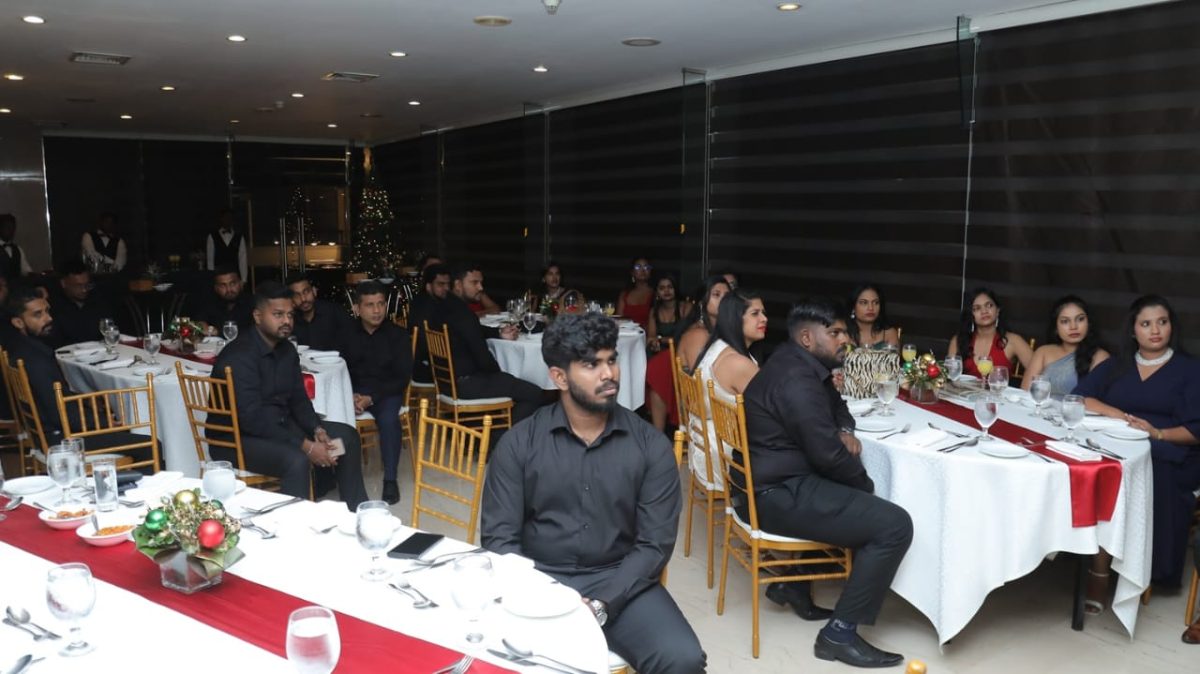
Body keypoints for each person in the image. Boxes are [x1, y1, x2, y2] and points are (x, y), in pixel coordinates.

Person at [481, 313, 706, 674]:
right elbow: (499, 538)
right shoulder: (519, 443)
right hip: (537, 577)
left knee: (682, 658)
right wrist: (538, 593)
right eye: (591, 364)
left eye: (611, 360)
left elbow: (654, 544)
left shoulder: (650, 446)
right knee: (485, 652)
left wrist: (602, 602)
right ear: (559, 377)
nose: (609, 374)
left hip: (620, 580)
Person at [742, 298, 912, 668]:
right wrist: (866, 487)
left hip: (776, 481)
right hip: (777, 494)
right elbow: (828, 457)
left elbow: (838, 408)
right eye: (834, 333)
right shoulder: (797, 381)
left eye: (844, 332)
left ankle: (792, 584)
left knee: (857, 499)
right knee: (894, 524)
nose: (844, 340)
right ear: (807, 337)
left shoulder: (799, 364)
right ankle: (839, 635)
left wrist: (845, 429)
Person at [1075, 295, 1200, 590]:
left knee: (1151, 471)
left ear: (1171, 326)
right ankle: (1093, 557)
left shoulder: (1191, 369)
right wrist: (1117, 415)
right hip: (1121, 444)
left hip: (1173, 451)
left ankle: (1150, 572)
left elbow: (1196, 429)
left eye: (1162, 322)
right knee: (1091, 463)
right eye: (1146, 324)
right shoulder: (1117, 364)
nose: (1155, 330)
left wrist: (1157, 433)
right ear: (1133, 330)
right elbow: (1080, 398)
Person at [208, 282, 368, 510]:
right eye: (278, 314)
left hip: (279, 426)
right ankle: (294, 524)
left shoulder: (287, 350)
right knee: (297, 460)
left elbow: (298, 399)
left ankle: (357, 511)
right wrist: (307, 446)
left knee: (346, 437)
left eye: (290, 315)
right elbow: (252, 420)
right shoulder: (239, 357)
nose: (286, 321)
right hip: (235, 439)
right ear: (257, 316)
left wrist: (317, 430)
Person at [4, 286, 152, 458]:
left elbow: (57, 403)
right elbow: (61, 415)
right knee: (151, 444)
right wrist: (105, 422)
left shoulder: (22, 350)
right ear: (18, 322)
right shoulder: (35, 361)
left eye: (47, 311)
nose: (48, 318)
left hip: (47, 434)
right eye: (38, 314)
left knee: (126, 429)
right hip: (62, 440)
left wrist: (92, 407)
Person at [431, 264, 543, 424]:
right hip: (467, 384)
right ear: (458, 285)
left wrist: (498, 333)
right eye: (474, 283)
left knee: (511, 383)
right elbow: (484, 360)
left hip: (446, 383)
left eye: (481, 282)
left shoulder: (443, 306)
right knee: (534, 393)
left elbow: (474, 329)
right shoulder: (464, 314)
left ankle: (487, 429)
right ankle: (501, 436)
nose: (480, 287)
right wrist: (503, 375)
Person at [689, 290, 767, 490]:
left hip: (707, 446)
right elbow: (771, 409)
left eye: (763, 313)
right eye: (755, 313)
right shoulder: (737, 363)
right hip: (727, 458)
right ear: (735, 319)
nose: (764, 319)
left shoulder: (718, 346)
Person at [345, 281, 412, 505]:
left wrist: (371, 398)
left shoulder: (398, 335)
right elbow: (339, 367)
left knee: (388, 420)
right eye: (370, 305)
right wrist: (350, 395)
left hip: (386, 393)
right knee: (332, 416)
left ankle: (390, 480)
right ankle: (337, 477)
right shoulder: (346, 334)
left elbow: (402, 377)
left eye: (381, 304)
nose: (376, 310)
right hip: (354, 392)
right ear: (357, 308)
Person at [644, 276, 730, 432]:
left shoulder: (721, 329)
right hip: (701, 402)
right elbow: (704, 380)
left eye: (727, 295)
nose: (723, 300)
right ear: (702, 302)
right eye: (716, 295)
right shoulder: (698, 334)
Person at [1021, 295, 1109, 396]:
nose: (1073, 326)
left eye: (1080, 319)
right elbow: (1025, 392)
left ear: (1088, 323)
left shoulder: (1100, 357)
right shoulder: (1043, 352)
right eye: (1065, 321)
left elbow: (1097, 399)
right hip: (1039, 405)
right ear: (1056, 328)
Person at [947, 287, 1033, 379]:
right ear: (970, 314)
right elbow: (949, 377)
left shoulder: (1014, 341)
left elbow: (1039, 374)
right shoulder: (958, 340)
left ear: (998, 310)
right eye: (977, 308)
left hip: (999, 389)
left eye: (989, 305)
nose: (984, 311)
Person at [51, 260, 114, 347]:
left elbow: (109, 330)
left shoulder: (97, 301)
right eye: (78, 286)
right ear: (63, 283)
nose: (84, 290)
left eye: (86, 285)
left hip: (99, 349)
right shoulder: (54, 307)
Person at [409, 263, 451, 384]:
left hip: (425, 364)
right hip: (427, 369)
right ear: (428, 286)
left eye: (448, 284)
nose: (446, 288)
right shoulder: (426, 308)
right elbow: (424, 344)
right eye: (441, 284)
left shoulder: (429, 301)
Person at [287, 274, 351, 351]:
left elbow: (352, 341)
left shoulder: (335, 312)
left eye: (306, 292)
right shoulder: (289, 320)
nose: (303, 299)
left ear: (314, 291)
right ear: (291, 299)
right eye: (297, 295)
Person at [194, 267, 254, 333]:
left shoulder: (253, 303)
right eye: (223, 286)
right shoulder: (211, 304)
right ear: (216, 288)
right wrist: (203, 327)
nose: (229, 289)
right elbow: (199, 321)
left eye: (232, 284)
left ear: (241, 284)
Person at [646, 272, 691, 355]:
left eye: (670, 287)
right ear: (657, 292)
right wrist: (654, 343)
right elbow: (651, 337)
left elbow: (686, 337)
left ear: (675, 289)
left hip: (681, 350)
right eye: (662, 288)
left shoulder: (686, 307)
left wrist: (661, 339)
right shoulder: (654, 310)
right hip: (660, 350)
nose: (666, 291)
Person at [846, 284, 899, 350]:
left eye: (875, 303)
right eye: (864, 303)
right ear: (853, 307)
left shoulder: (889, 333)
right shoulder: (843, 332)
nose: (871, 308)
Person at [206, 208, 248, 281]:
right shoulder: (212, 236)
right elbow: (210, 260)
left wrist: (244, 279)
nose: (228, 220)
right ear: (221, 219)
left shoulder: (239, 237)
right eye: (226, 217)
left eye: (230, 218)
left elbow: (243, 259)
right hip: (219, 274)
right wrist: (211, 277)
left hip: (234, 274)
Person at [616, 257, 654, 329]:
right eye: (638, 267)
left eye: (646, 267)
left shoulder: (656, 293)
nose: (643, 270)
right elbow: (619, 320)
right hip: (626, 333)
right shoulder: (624, 294)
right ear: (632, 272)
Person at [0, 214, 33, 281]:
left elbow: (26, 270)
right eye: (7, 227)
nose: (11, 231)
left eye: (13, 228)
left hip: (17, 285)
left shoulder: (18, 249)